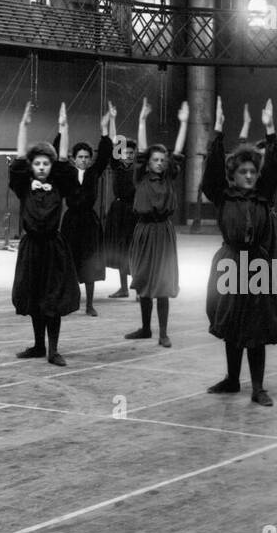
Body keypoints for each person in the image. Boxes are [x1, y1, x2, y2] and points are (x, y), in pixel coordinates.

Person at [201, 97, 277, 406]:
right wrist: (219, 132)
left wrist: (271, 130)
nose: (249, 176)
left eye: (253, 171)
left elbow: (275, 167)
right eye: (243, 172)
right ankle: (232, 379)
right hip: (229, 262)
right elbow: (210, 172)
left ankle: (258, 387)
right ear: (234, 174)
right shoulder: (222, 196)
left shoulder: (264, 196)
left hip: (257, 265)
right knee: (232, 323)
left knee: (257, 326)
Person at [10, 102, 80, 365]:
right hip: (31, 248)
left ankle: (53, 349)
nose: (41, 167)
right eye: (37, 163)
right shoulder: (23, 186)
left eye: (45, 163)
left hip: (53, 247)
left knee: (53, 299)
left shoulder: (59, 184)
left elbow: (63, 163)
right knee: (35, 296)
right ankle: (38, 345)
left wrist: (64, 127)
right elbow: (18, 162)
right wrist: (22, 127)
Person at [125, 98, 188, 348]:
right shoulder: (140, 176)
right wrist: (141, 120)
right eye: (156, 160)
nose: (160, 163)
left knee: (161, 283)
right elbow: (141, 150)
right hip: (143, 231)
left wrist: (183, 123)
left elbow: (180, 153)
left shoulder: (170, 178)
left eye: (163, 160)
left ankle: (162, 332)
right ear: (149, 162)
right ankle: (145, 328)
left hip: (163, 232)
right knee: (143, 280)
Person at [57, 101, 113, 317]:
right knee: (69, 261)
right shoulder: (67, 173)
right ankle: (68, 301)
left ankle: (89, 304)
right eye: (80, 156)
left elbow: (106, 154)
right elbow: (58, 154)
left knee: (89, 263)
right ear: (74, 158)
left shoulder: (93, 173)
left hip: (89, 223)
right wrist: (62, 128)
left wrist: (104, 130)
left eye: (87, 157)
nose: (83, 160)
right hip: (70, 222)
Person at [101, 102, 137, 298]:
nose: (128, 156)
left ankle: (138, 287)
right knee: (120, 249)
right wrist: (113, 119)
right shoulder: (116, 166)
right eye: (126, 152)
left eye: (131, 153)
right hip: (118, 211)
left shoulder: (137, 170)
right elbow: (115, 142)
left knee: (133, 250)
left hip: (133, 212)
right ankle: (124, 288)